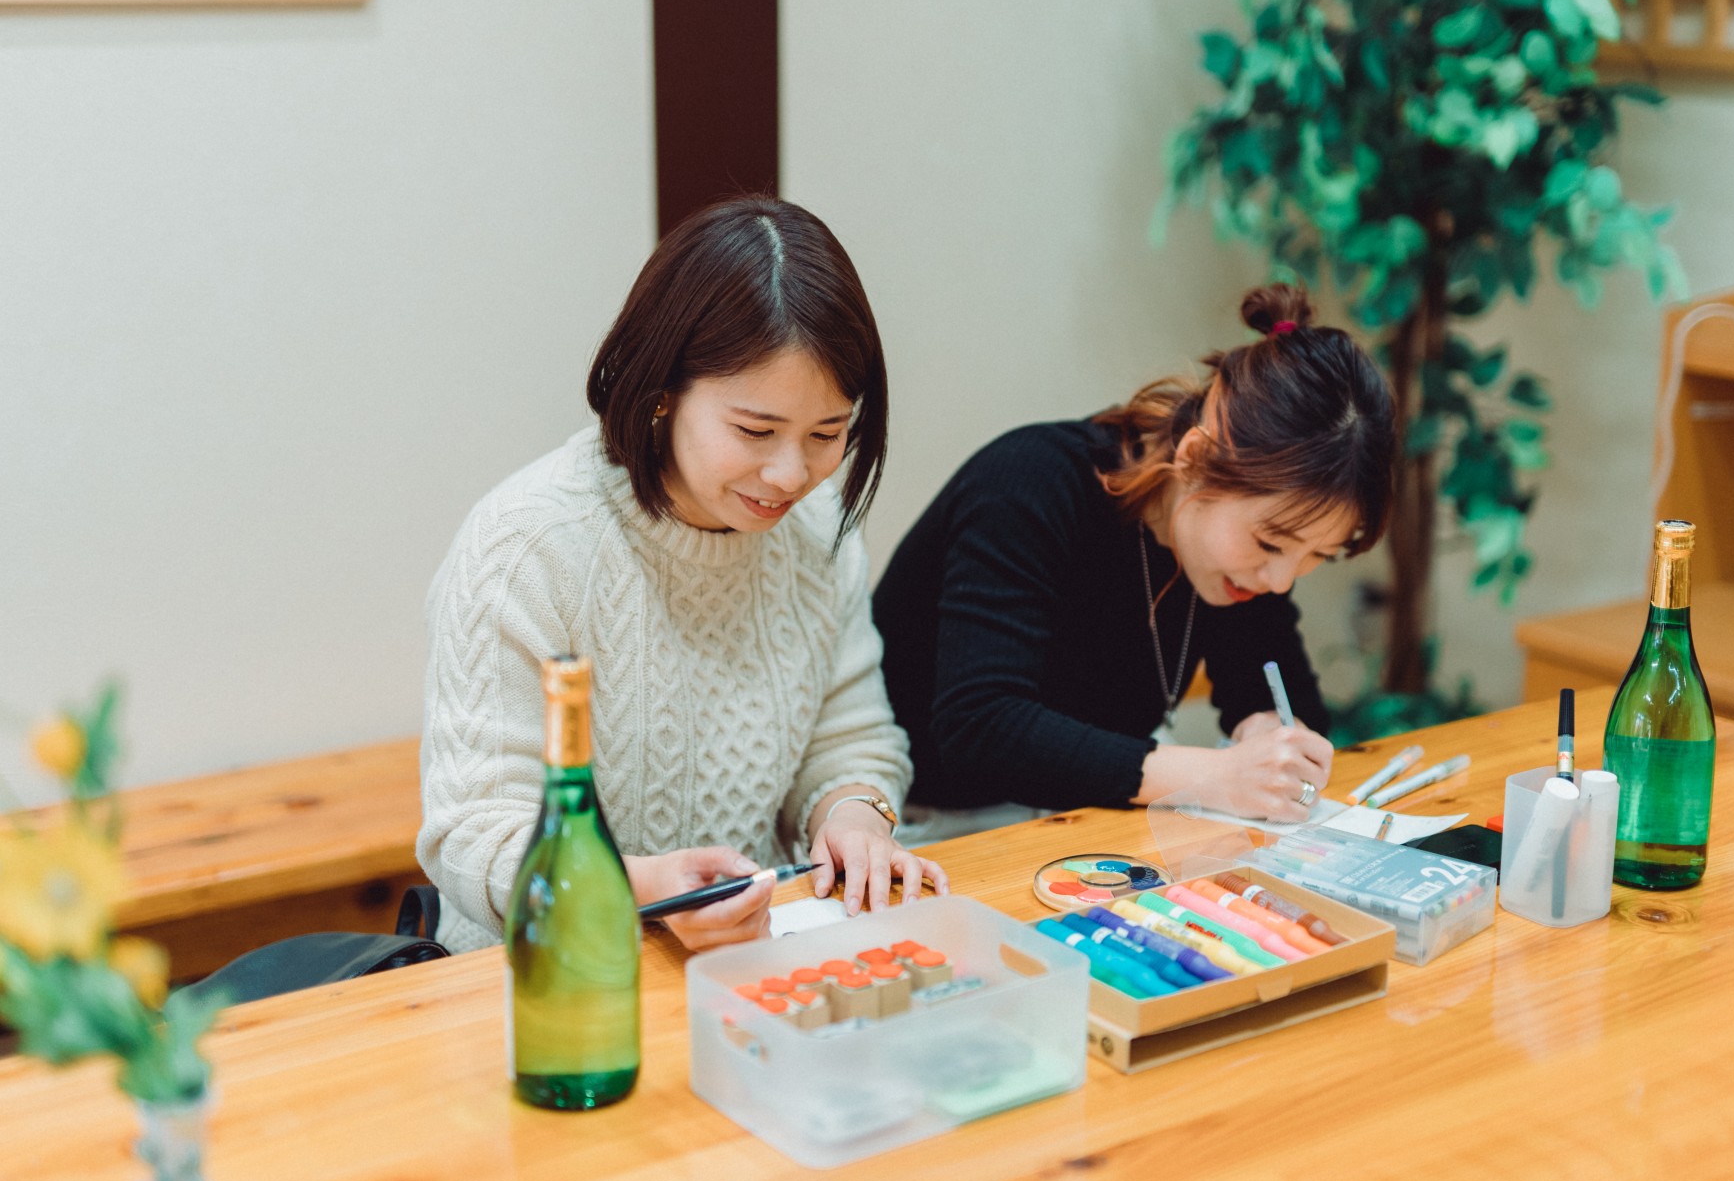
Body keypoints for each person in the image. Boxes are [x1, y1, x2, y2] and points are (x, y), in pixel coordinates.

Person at [419, 196, 946, 955]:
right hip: (540, 984)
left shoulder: (815, 528)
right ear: (663, 391)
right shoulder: (526, 550)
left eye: (828, 433)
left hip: (745, 964)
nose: (791, 473)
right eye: (754, 431)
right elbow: (475, 835)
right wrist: (640, 892)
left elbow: (851, 738)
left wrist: (855, 820)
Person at [873, 283, 1395, 830]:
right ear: (1195, 460)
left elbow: (1277, 693)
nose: (1283, 579)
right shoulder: (1028, 484)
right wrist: (1215, 775)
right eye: (1271, 543)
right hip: (929, 821)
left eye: (1321, 554)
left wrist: (1267, 732)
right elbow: (980, 726)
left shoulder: (1239, 560)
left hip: (1087, 815)